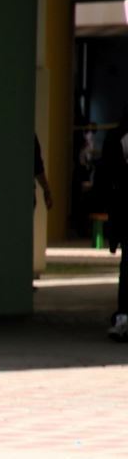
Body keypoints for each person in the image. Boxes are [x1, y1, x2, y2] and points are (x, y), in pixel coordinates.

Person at [96, 116, 127, 342]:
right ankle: (123, 317)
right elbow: (106, 176)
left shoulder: (116, 136)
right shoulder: (116, 138)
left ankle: (123, 317)